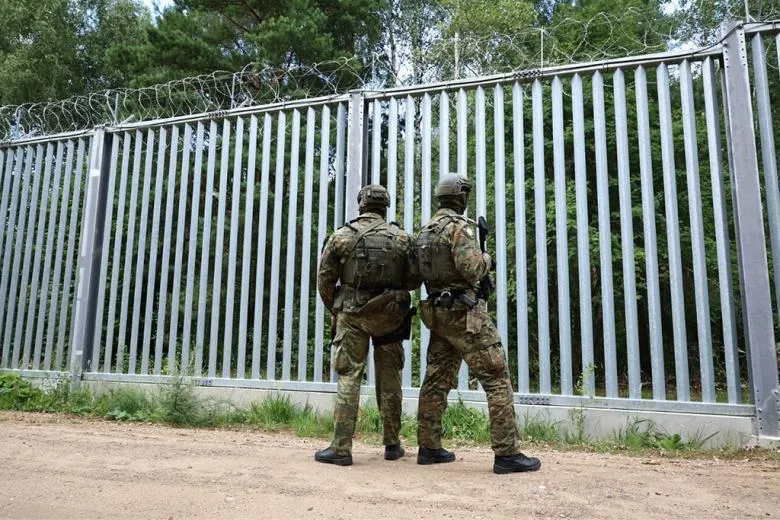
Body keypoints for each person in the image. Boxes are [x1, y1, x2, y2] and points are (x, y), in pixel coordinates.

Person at [413, 173, 541, 474]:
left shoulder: (425, 231)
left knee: (436, 379)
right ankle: (507, 453)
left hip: (438, 314)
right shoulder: (460, 228)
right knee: (497, 376)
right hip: (466, 315)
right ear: (461, 197)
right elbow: (472, 269)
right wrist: (487, 257)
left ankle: (428, 447)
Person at [314, 184, 417, 466]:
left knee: (349, 375)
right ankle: (393, 445)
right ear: (385, 207)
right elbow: (413, 280)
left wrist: (337, 308)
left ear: (361, 204)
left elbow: (324, 279)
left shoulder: (342, 236)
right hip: (390, 317)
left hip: (353, 315)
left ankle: (341, 449)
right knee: (390, 378)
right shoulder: (402, 238)